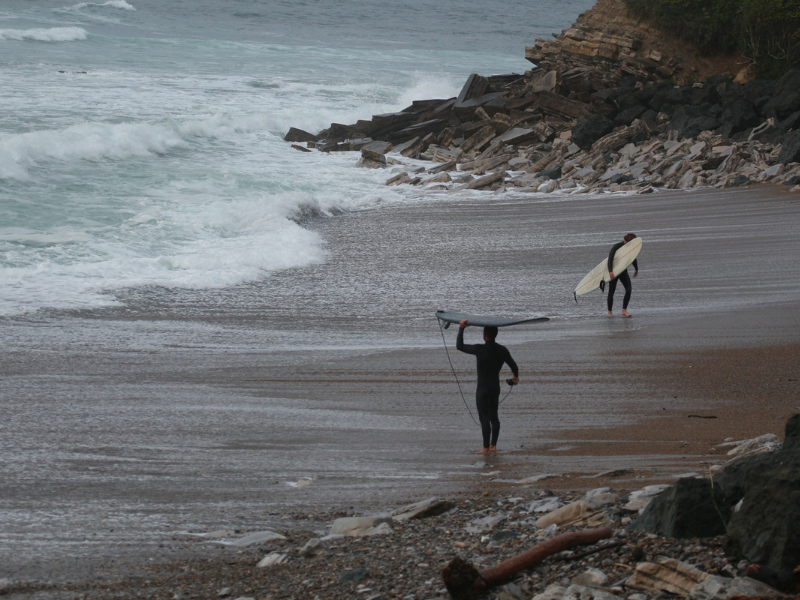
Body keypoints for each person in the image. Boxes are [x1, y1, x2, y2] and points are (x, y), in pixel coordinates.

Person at [456, 319, 519, 454]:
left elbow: (459, 346)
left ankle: (485, 447)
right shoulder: (502, 350)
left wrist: (461, 328)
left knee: (484, 418)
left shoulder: (479, 349)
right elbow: (514, 365)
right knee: (494, 417)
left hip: (483, 389)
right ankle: (493, 446)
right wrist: (515, 377)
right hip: (495, 388)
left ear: (484, 335)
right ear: (496, 334)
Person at [607, 233, 639, 318]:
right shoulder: (616, 246)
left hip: (623, 271)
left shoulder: (630, 248)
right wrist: (610, 271)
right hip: (614, 272)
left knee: (628, 289)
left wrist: (636, 269)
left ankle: (624, 310)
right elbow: (609, 259)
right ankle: (610, 311)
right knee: (611, 291)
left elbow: (633, 258)